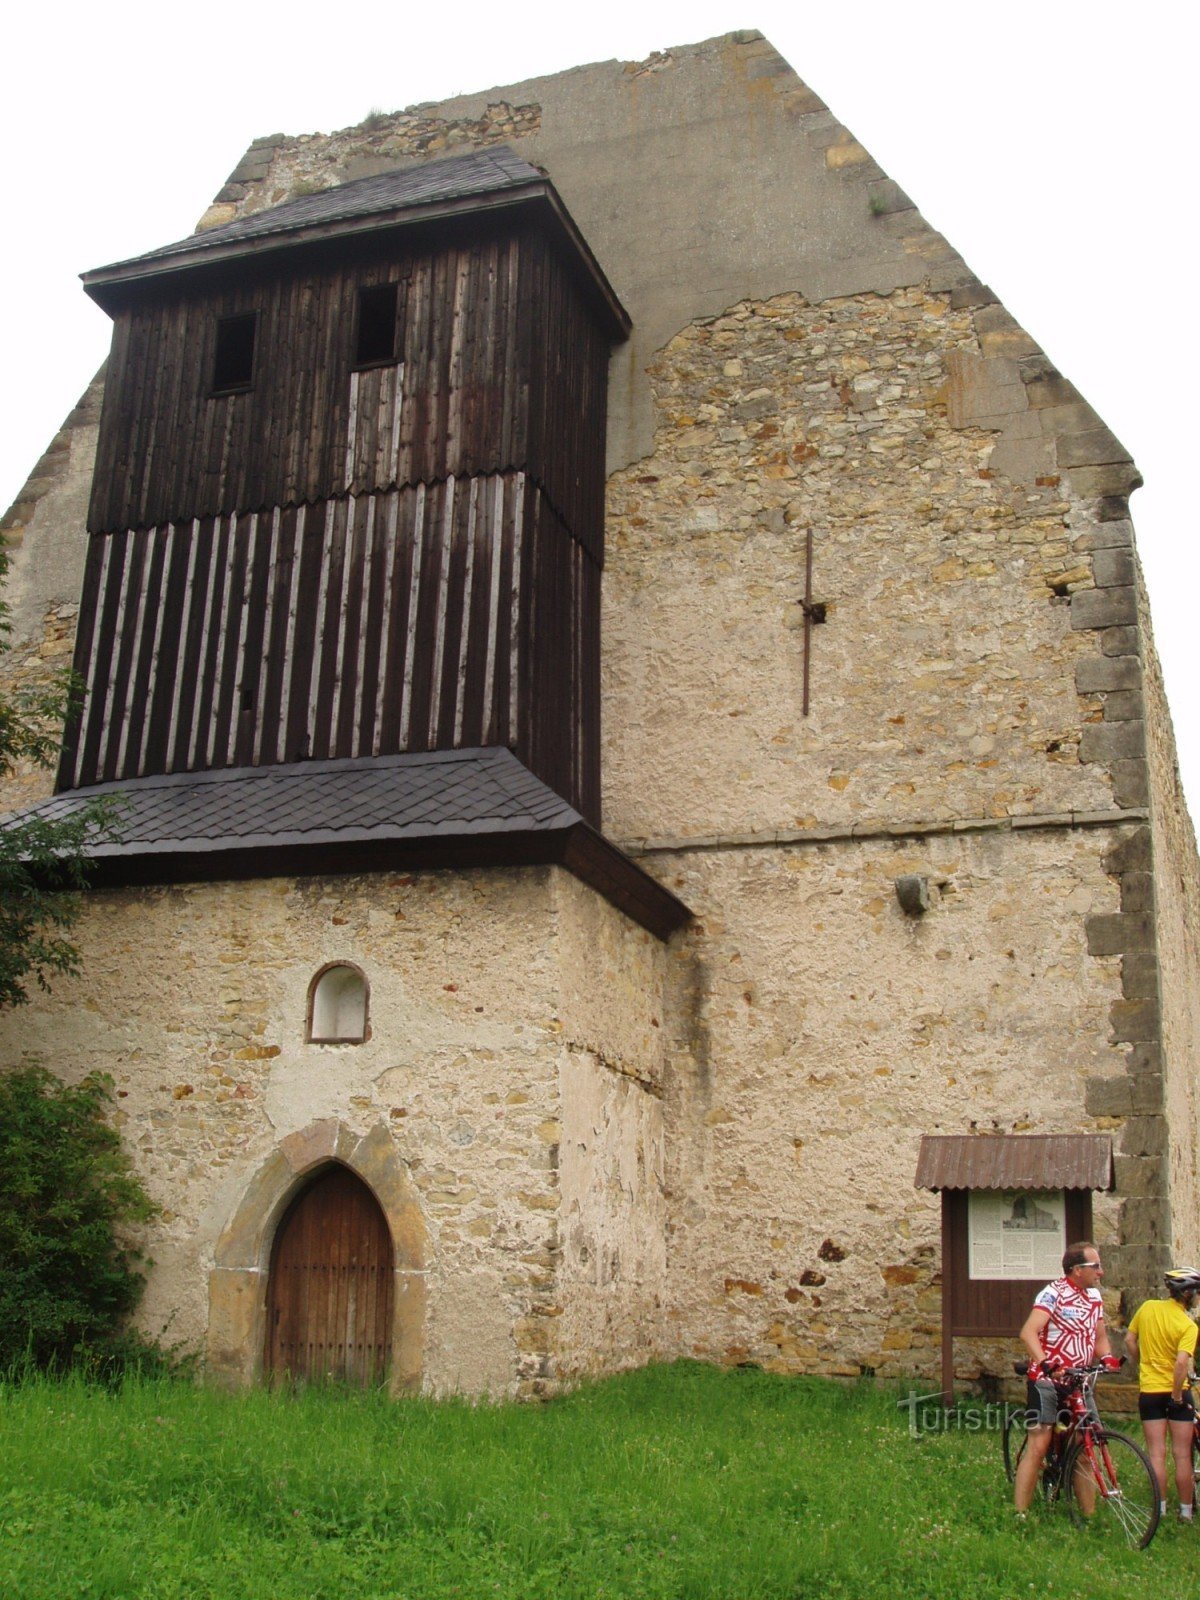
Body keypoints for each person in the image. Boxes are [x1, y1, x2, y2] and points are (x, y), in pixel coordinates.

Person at [1013, 1241, 1120, 1514]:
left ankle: (1089, 1519)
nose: (1101, 1272)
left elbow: (1100, 1338)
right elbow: (1028, 1332)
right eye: (1095, 1266)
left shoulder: (1095, 1298)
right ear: (1076, 1270)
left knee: (1084, 1450)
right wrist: (1046, 1363)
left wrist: (1107, 1357)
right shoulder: (1053, 1293)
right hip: (1047, 1381)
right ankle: (1020, 1515)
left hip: (1078, 1381)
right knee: (1039, 1446)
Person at [1125, 1267, 1199, 1523]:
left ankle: (1160, 1509)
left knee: (1157, 1453)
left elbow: (1129, 1340)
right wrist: (1177, 1394)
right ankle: (1186, 1512)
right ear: (1188, 1294)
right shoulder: (1187, 1325)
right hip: (1176, 1392)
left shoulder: (1147, 1308)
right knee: (1181, 1454)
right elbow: (1181, 1364)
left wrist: (1142, 1364)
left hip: (1150, 1391)